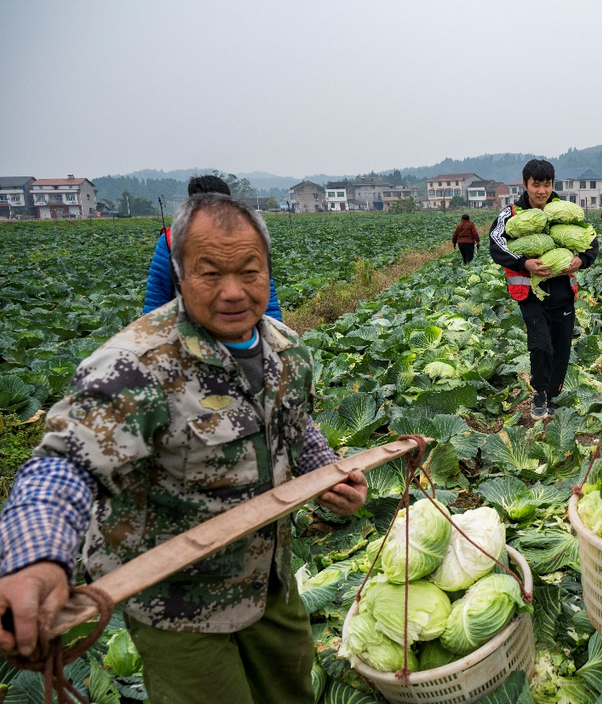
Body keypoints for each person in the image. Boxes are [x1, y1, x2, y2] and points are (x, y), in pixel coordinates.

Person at [0, 193, 368, 703]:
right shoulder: (137, 365)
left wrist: (326, 470)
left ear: (268, 271)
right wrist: (37, 560)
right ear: (179, 274)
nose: (234, 292)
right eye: (210, 273)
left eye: (250, 271)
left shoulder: (287, 348)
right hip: (178, 605)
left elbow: (293, 424)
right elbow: (65, 465)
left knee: (293, 694)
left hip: (269, 579)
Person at [489, 159, 601, 419]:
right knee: (541, 345)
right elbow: (496, 245)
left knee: (562, 348)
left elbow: (590, 242)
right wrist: (524, 263)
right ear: (526, 184)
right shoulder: (512, 215)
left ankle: (553, 395)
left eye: (547, 185)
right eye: (535, 185)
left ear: (553, 185)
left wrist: (580, 260)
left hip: (562, 291)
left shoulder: (565, 212)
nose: (541, 191)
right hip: (529, 295)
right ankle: (539, 393)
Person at [143, 175, 283, 321]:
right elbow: (156, 301)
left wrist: (277, 337)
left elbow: (267, 296)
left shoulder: (246, 239)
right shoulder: (172, 241)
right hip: (186, 331)